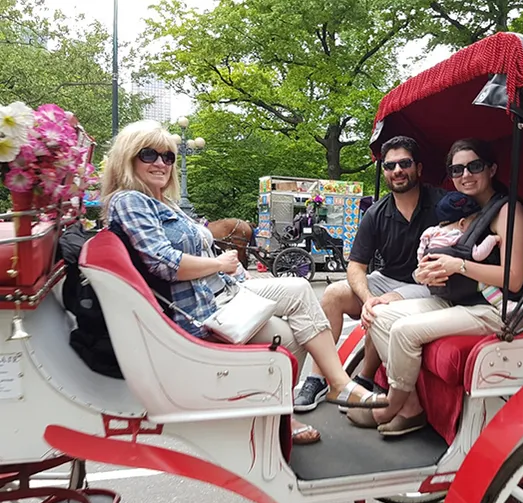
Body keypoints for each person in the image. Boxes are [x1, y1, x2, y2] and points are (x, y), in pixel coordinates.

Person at [101, 120, 387, 446]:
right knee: (290, 324)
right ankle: (306, 399)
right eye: (149, 154)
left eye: (168, 157)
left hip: (218, 289)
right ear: (127, 158)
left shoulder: (163, 202)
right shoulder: (131, 201)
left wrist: (232, 272)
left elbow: (195, 253)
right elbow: (163, 262)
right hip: (201, 308)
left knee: (298, 293)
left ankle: (316, 393)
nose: (161, 163)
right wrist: (219, 263)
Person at [349, 138, 523, 436]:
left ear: (491, 169)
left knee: (404, 330)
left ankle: (394, 404)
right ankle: (411, 406)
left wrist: (458, 267)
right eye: (457, 169)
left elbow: (514, 278)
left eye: (474, 166)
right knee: (380, 315)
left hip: (495, 308)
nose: (465, 175)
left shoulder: (508, 213)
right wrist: (429, 274)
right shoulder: (462, 213)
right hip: (458, 299)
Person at [310, 136, 442, 411]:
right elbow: (356, 266)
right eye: (389, 165)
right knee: (333, 294)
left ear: (418, 168)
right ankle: (318, 379)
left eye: (404, 163)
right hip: (389, 279)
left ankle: (365, 378)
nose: (396, 171)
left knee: (381, 306)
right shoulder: (376, 213)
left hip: (429, 284)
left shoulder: (442, 203)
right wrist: (367, 296)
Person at [417, 192, 499, 263]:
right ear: (462, 224)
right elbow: (477, 254)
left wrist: (421, 262)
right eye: (475, 221)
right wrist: (492, 239)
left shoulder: (431, 231)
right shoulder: (457, 237)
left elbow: (422, 247)